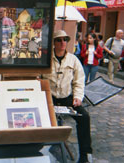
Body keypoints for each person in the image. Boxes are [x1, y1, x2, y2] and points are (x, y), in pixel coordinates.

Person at [42, 30, 92, 163]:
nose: (63, 42)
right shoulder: (45, 58)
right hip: (49, 97)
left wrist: (78, 97)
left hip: (66, 97)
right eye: (59, 40)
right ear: (54, 43)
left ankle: (85, 155)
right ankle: (40, 151)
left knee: (84, 117)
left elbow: (79, 80)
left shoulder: (73, 60)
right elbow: (39, 78)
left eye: (65, 39)